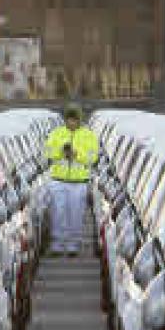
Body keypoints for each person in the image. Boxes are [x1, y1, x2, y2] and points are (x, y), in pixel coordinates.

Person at [44, 105, 99, 256]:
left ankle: (73, 245)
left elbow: (93, 157)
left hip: (78, 182)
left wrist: (77, 154)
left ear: (79, 120)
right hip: (58, 180)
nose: (71, 122)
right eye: (69, 119)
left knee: (76, 213)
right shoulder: (56, 133)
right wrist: (61, 152)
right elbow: (48, 152)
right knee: (58, 213)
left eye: (74, 119)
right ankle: (57, 244)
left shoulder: (88, 135)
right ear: (65, 119)